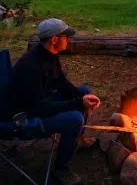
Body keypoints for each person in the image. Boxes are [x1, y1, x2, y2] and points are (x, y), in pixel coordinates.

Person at [8, 18, 100, 185]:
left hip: (41, 102)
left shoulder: (49, 55)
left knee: (85, 91)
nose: (68, 39)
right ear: (55, 40)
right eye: (66, 36)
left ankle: (76, 139)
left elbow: (60, 82)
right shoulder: (31, 67)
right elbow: (39, 109)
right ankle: (61, 168)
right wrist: (78, 103)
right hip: (25, 118)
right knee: (75, 119)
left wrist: (80, 98)